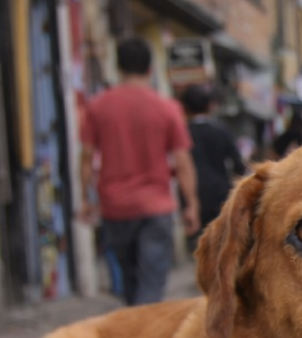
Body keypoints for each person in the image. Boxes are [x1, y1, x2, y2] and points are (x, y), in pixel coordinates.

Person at [79, 37, 199, 305]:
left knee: (130, 283)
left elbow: (86, 157)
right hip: (155, 207)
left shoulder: (97, 107)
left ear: (118, 68)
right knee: (151, 283)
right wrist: (191, 203)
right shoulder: (168, 108)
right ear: (149, 69)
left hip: (115, 207)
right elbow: (182, 161)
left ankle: (136, 331)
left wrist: (86, 200)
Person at [179, 84, 246, 243]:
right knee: (220, 241)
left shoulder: (181, 133)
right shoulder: (221, 131)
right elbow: (239, 165)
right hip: (219, 194)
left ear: (184, 107)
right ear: (209, 106)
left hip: (190, 194)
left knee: (195, 244)